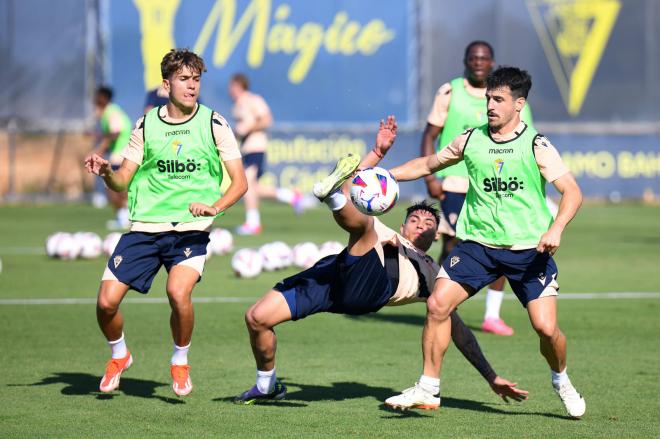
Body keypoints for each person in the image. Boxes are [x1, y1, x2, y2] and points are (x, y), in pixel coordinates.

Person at [233, 117, 528, 407]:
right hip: (333, 277)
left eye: (428, 223)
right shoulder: (388, 232)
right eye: (414, 219)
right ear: (403, 226)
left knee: (365, 227)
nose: (420, 225)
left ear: (437, 235)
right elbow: (361, 185)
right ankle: (266, 385)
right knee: (257, 318)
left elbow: (459, 332)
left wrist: (491, 376)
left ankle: (332, 196)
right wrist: (378, 152)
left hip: (370, 290)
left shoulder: (436, 275)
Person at [384, 67, 586, 418]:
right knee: (437, 306)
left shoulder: (536, 144)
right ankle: (428, 388)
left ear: (518, 104)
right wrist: (387, 175)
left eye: (498, 100)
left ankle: (561, 378)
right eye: (488, 99)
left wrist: (556, 229)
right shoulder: (471, 139)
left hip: (528, 251)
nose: (490, 105)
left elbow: (572, 192)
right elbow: (429, 163)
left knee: (546, 329)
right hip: (476, 246)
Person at [84, 49, 247, 397]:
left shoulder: (214, 123)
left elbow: (240, 183)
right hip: (145, 226)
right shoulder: (145, 125)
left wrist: (214, 207)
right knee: (105, 303)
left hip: (191, 228)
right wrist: (107, 173)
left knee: (177, 291)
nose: (191, 87)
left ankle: (180, 360)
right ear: (166, 84)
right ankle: (119, 355)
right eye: (184, 79)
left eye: (196, 80)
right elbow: (123, 180)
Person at [422, 41, 534, 336]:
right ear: (466, 61)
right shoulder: (451, 91)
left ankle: (491, 315)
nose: (478, 63)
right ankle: (438, 300)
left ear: (492, 62)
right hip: (455, 183)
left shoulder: (512, 98)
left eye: (483, 58)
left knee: (500, 243)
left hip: (495, 185)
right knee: (451, 245)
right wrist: (431, 178)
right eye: (473, 58)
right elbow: (430, 134)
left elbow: (526, 141)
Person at [228, 73, 314, 235]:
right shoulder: (237, 105)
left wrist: (248, 128)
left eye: (232, 86)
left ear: (239, 86)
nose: (230, 90)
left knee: (247, 184)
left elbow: (266, 119)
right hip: (246, 149)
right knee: (253, 188)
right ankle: (292, 197)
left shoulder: (253, 100)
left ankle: (253, 223)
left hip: (256, 148)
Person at [92, 86, 133, 229]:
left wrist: (100, 150)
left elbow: (115, 133)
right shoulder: (106, 112)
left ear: (104, 98)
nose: (95, 99)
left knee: (112, 187)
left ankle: (123, 218)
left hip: (120, 156)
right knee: (119, 189)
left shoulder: (112, 112)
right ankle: (124, 217)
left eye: (98, 96)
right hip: (121, 155)